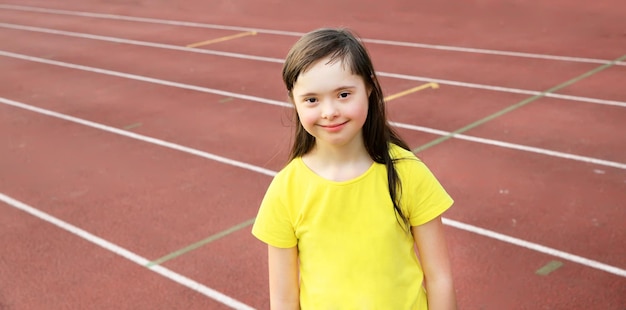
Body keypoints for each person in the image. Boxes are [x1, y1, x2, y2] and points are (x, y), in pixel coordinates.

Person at [252, 28, 457, 310]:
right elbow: (284, 300)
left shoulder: (406, 172)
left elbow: (439, 278)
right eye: (312, 99)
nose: (329, 111)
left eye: (344, 94)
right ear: (294, 101)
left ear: (369, 88)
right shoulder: (285, 189)